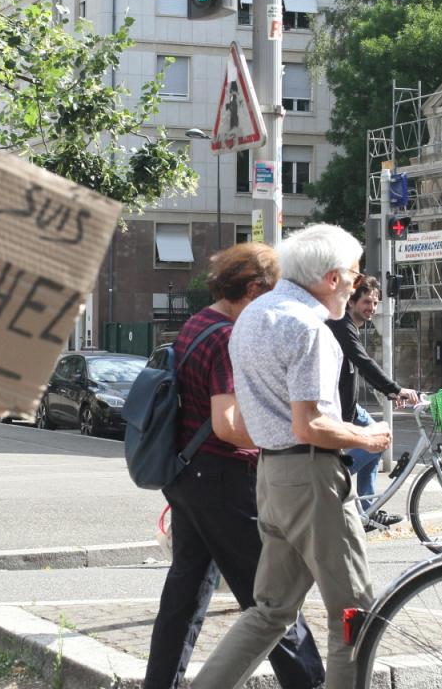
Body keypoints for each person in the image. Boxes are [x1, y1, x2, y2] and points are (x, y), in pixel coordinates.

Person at [191, 224, 392, 689]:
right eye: (356, 277)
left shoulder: (253, 315)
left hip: (271, 474)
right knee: (354, 615)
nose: (357, 288)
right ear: (332, 277)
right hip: (311, 476)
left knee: (270, 610)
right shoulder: (312, 329)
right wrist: (368, 438)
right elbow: (312, 425)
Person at [144, 243, 324, 689]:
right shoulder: (227, 336)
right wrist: (283, 436)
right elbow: (226, 424)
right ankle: (311, 683)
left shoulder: (197, 323)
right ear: (251, 288)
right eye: (272, 289)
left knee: (184, 597)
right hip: (222, 479)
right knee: (271, 601)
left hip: (187, 476)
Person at [325, 276, 419, 530]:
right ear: (351, 302)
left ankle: (368, 511)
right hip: (338, 411)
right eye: (367, 302)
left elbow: (357, 369)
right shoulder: (340, 326)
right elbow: (364, 362)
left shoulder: (350, 327)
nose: (372, 308)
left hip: (351, 409)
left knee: (379, 438)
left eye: (376, 303)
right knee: (375, 444)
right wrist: (396, 389)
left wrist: (390, 393)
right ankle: (333, 483)